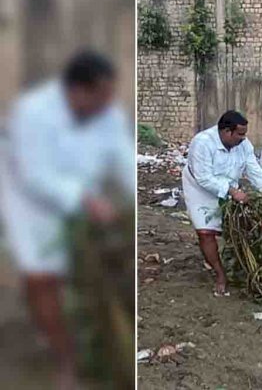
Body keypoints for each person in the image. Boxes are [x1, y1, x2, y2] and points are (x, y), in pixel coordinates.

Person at [0, 50, 134, 390]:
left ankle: (93, 338)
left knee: (95, 271)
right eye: (100, 95)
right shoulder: (33, 112)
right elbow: (34, 174)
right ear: (77, 90)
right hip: (28, 199)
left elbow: (123, 159)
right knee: (42, 276)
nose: (107, 104)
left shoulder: (107, 114)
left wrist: (132, 205)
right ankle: (65, 362)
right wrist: (85, 200)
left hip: (83, 194)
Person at [182, 110, 262, 297]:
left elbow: (253, 167)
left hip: (229, 184)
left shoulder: (243, 144)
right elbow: (204, 178)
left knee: (239, 226)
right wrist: (232, 192)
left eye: (244, 134)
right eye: (239, 134)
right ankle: (220, 275)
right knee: (206, 232)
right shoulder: (202, 143)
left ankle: (238, 264)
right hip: (199, 187)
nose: (243, 138)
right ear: (225, 132)